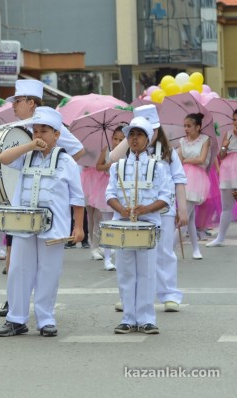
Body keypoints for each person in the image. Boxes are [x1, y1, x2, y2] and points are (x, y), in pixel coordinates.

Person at [0, 79, 86, 317]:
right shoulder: (26, 150)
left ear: (56, 134)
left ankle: (46, 318)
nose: (38, 135)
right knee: (18, 269)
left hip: (53, 221)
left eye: (43, 131)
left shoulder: (65, 159)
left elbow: (78, 197)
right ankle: (16, 317)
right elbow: (3, 159)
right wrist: (29, 146)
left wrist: (78, 226)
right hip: (24, 219)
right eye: (36, 131)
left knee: (48, 271)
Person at [112, 105, 188, 313]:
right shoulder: (128, 152)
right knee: (130, 254)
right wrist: (130, 137)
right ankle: (129, 296)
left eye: (149, 130)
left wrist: (183, 210)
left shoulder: (168, 153)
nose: (144, 135)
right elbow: (111, 158)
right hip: (133, 210)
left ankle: (169, 294)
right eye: (135, 133)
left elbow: (179, 180)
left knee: (163, 252)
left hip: (163, 210)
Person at [106, 117, 172, 335]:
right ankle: (128, 317)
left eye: (139, 135)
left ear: (147, 139)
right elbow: (110, 195)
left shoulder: (158, 167)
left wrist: (147, 209)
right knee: (125, 272)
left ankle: (146, 318)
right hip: (124, 225)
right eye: (131, 135)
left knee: (146, 273)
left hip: (148, 225)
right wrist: (121, 209)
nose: (134, 139)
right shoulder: (117, 166)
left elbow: (166, 197)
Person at [91, 126, 126, 270]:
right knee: (106, 224)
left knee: (120, 224)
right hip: (106, 187)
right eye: (115, 138)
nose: (117, 142)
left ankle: (119, 256)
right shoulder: (107, 151)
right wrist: (108, 165)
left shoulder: (128, 153)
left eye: (121, 139)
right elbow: (98, 166)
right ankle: (107, 259)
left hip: (122, 189)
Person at [178, 113, 210, 260]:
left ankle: (167, 248)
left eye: (189, 126)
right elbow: (178, 161)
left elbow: (202, 159)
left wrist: (187, 160)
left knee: (185, 215)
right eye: (184, 125)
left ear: (198, 127)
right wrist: (185, 161)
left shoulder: (205, 140)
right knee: (190, 217)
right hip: (183, 178)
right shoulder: (182, 141)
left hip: (196, 179)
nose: (186, 128)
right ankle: (196, 249)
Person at [207, 109, 237, 248]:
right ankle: (220, 238)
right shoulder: (228, 135)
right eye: (234, 119)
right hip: (228, 172)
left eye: (236, 119)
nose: (234, 122)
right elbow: (222, 156)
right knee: (226, 207)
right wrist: (225, 146)